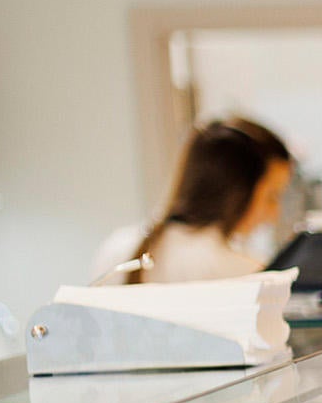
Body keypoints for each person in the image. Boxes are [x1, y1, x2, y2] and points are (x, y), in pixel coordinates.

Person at [89, 117, 295, 284]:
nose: (274, 215)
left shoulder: (116, 250)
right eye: (272, 196)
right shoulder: (245, 273)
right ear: (237, 192)